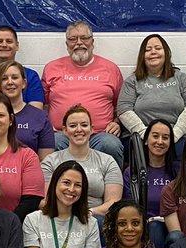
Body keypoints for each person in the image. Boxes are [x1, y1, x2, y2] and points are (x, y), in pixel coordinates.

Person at [42, 20, 125, 166]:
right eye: (73, 39)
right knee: (51, 144)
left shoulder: (111, 69)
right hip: (62, 134)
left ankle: (111, 188)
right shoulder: (51, 68)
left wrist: (117, 122)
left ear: (92, 42)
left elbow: (121, 104)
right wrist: (46, 125)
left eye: (84, 38)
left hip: (100, 134)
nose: (79, 42)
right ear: (67, 45)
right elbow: (43, 104)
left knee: (111, 145)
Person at [117, 34, 186, 142]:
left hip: (179, 137)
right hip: (143, 138)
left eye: (158, 48)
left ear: (166, 53)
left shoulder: (181, 78)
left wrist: (174, 135)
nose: (153, 52)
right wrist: (146, 135)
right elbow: (123, 109)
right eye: (148, 50)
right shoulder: (132, 81)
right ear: (142, 56)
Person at [125, 119, 180, 248]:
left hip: (175, 227)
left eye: (165, 138)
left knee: (176, 236)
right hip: (144, 229)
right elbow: (129, 206)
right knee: (154, 227)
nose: (160, 141)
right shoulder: (133, 171)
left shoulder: (179, 170)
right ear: (146, 140)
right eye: (155, 136)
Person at [0, 61, 54, 159]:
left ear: (24, 83)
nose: (10, 82)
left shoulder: (40, 117)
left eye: (15, 77)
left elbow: (46, 162)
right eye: (4, 78)